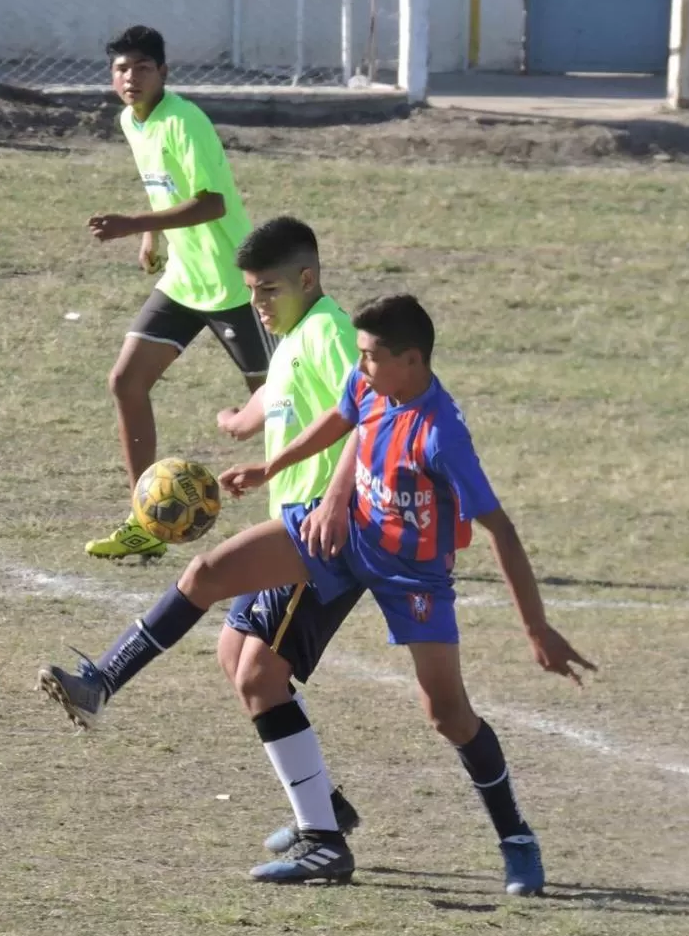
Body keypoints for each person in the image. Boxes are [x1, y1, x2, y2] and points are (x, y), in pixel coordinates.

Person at [39, 293, 595, 894]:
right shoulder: (374, 386)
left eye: (370, 357)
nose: (359, 368)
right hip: (345, 535)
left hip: (413, 575)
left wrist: (536, 628)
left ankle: (516, 838)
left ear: (411, 361)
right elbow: (343, 417)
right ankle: (102, 683)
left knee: (447, 714)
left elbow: (502, 531)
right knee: (205, 573)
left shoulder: (443, 436)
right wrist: (272, 468)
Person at [42, 216, 366, 856]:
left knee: (206, 579)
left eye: (268, 290)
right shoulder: (297, 332)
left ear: (307, 278)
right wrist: (240, 421)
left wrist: (331, 496)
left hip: (326, 533)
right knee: (239, 662)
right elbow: (279, 393)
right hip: (297, 519)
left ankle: (101, 682)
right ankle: (324, 809)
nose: (257, 305)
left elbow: (367, 414)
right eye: (251, 290)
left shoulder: (329, 331)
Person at [83, 25, 277, 561]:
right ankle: (146, 518)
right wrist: (152, 235)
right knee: (126, 381)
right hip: (186, 281)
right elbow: (163, 182)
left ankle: (321, 512)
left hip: (235, 285)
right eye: (122, 68)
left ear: (164, 73)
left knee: (284, 403)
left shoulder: (185, 122)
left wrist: (130, 223)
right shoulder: (131, 119)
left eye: (142, 67)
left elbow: (212, 203)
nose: (131, 77)